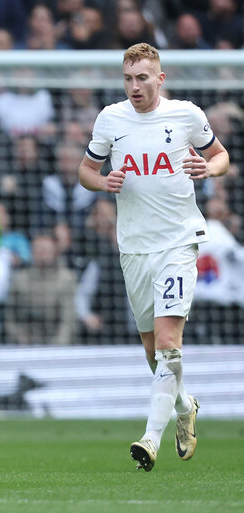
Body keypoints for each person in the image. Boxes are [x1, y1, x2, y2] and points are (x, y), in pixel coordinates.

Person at [79, 43, 230, 471]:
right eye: (128, 79)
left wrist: (209, 169)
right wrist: (102, 181)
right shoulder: (111, 118)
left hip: (179, 242)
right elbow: (85, 171)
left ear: (159, 79)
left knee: (168, 344)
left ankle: (150, 438)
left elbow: (220, 156)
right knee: (152, 351)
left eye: (142, 78)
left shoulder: (186, 114)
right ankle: (185, 407)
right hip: (133, 246)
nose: (134, 87)